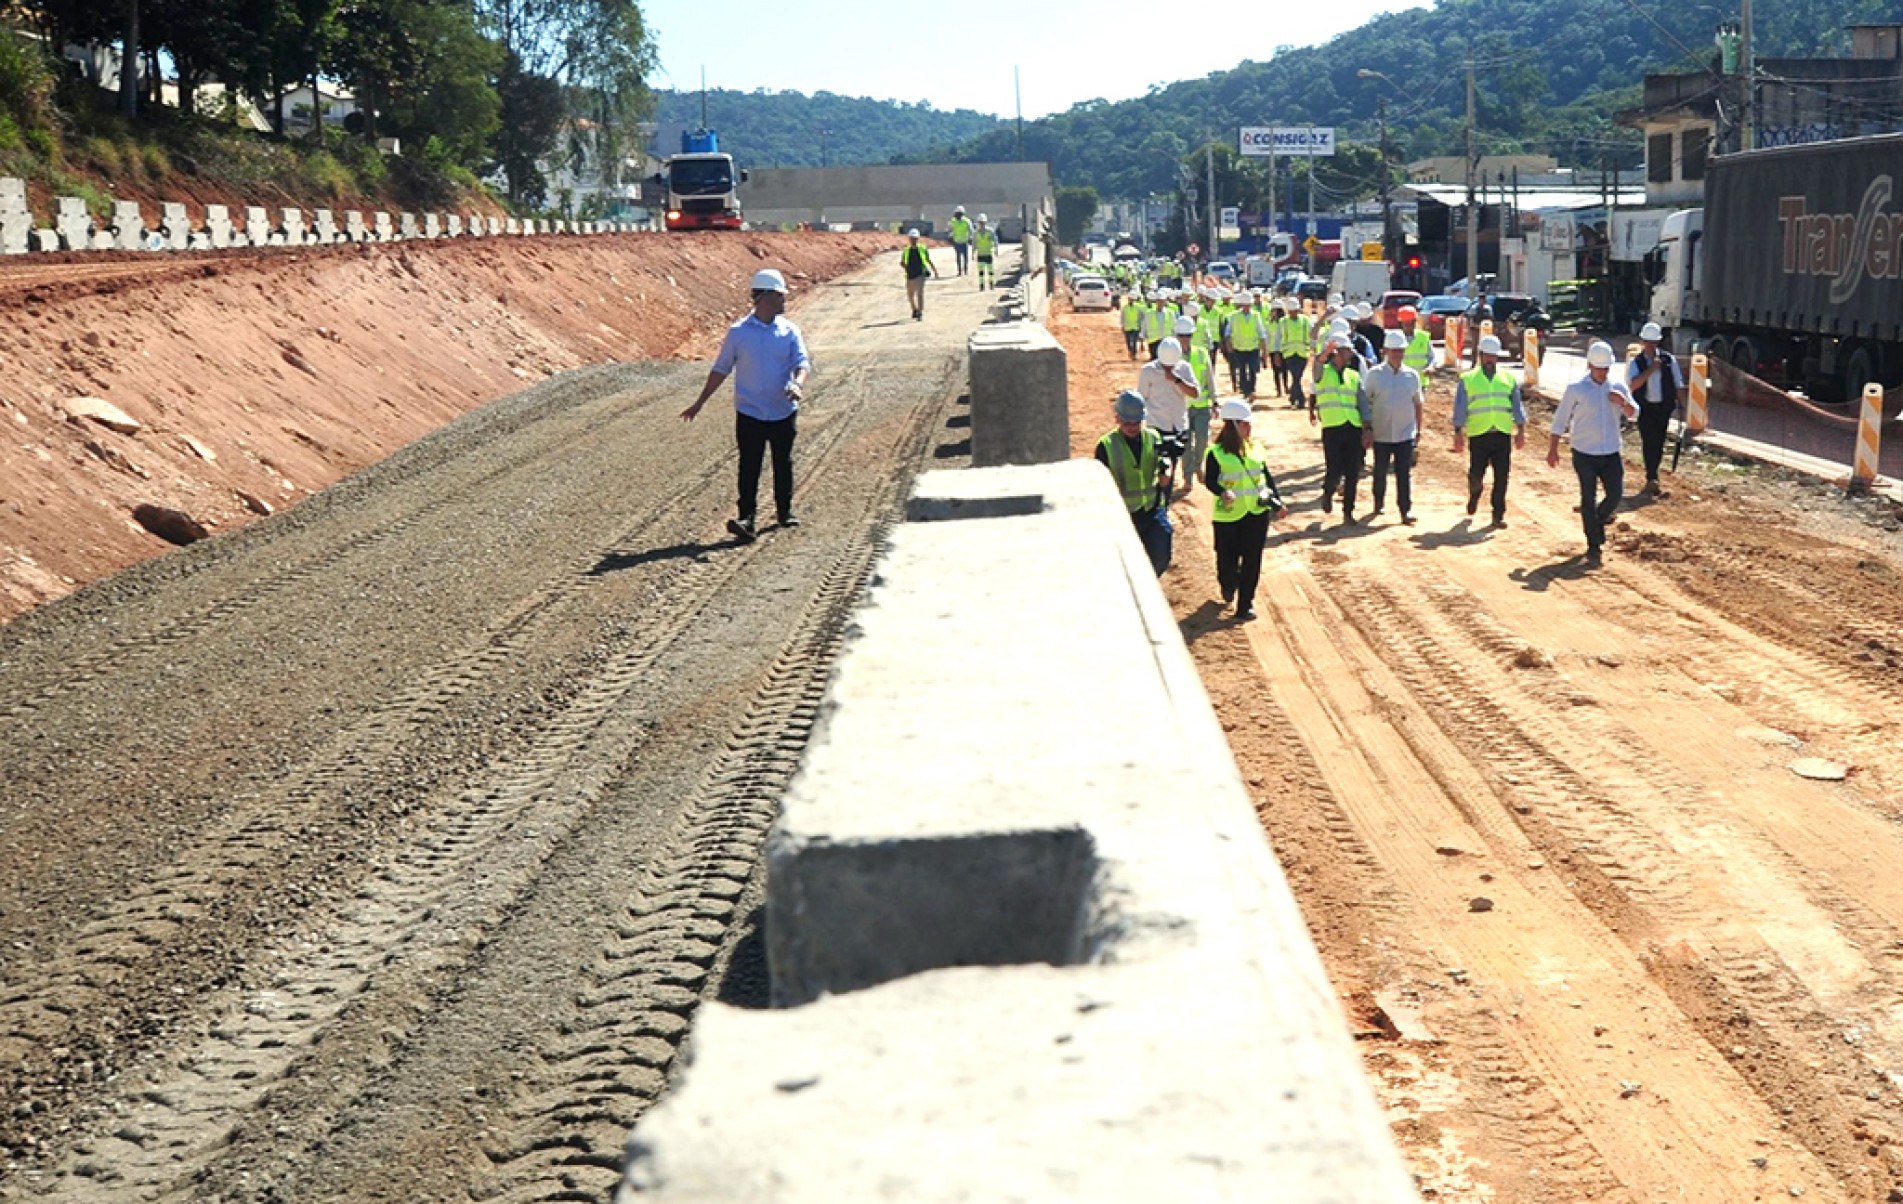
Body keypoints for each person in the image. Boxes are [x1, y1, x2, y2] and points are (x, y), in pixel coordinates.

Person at [681, 268, 811, 542]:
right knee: (749, 465)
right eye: (779, 295)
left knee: (782, 462)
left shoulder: (790, 331)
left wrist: (797, 384)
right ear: (764, 297)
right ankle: (746, 518)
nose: (784, 300)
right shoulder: (738, 333)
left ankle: (784, 512)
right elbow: (721, 368)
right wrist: (700, 402)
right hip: (750, 411)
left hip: (782, 410)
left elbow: (802, 363)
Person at [1549, 341, 1639, 565]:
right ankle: (1593, 545)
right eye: (1599, 368)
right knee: (1587, 498)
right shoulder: (1576, 389)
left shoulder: (1617, 386)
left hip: (1610, 452)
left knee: (1615, 495)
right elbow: (1560, 420)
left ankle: (1597, 521)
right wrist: (1553, 449)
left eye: (1606, 368)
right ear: (1589, 365)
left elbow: (1634, 413)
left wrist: (1624, 402)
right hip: (1584, 453)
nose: (1603, 372)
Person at [1204, 398, 1288, 621]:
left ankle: (1245, 605)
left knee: (1252, 561)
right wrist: (1222, 491)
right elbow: (1211, 480)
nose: (1249, 428)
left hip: (1256, 514)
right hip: (1228, 516)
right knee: (1226, 561)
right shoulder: (1216, 453)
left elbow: (1266, 478)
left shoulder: (1256, 448)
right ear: (1232, 426)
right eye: (1245, 424)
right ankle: (1229, 584)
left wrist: (1277, 502)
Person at [1451, 334, 1526, 529]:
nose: (1490, 360)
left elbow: (1517, 406)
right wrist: (1458, 432)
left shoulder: (1508, 378)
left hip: (1502, 433)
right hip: (1479, 433)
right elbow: (1460, 407)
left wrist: (1520, 430)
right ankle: (1475, 494)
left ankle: (1498, 514)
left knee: (1502, 476)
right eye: (1487, 356)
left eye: (1493, 356)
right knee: (1476, 473)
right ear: (1480, 355)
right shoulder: (1468, 379)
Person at [1095, 390, 1173, 575]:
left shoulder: (1153, 438)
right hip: (1123, 516)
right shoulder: (1106, 446)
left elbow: (1164, 462)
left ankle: (1149, 583)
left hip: (1152, 510)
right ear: (1117, 419)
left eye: (1136, 422)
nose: (1132, 427)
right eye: (1127, 423)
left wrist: (1166, 473)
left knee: (1161, 553)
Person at [1309, 334, 1374, 523]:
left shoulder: (1353, 376)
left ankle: (1348, 512)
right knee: (1334, 469)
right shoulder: (1323, 373)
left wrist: (1368, 427)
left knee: (1353, 471)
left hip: (1352, 428)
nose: (1350, 355)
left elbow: (1362, 403)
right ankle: (1328, 492)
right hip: (1332, 428)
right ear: (1337, 352)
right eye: (1346, 351)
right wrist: (1324, 353)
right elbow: (1317, 365)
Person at [1365, 329, 1425, 524]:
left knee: (1403, 473)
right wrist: (1367, 429)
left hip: (1404, 433)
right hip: (1381, 432)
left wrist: (1418, 430)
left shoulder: (1412, 376)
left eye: (1400, 350)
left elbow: (1418, 403)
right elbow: (1367, 402)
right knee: (1380, 470)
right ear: (1385, 351)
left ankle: (1405, 510)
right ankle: (1378, 503)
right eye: (1394, 350)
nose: (1397, 354)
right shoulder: (1374, 375)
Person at [1627, 321, 1686, 497]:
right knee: (1648, 441)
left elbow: (1678, 385)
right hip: (1645, 408)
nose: (1651, 346)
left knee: (1659, 442)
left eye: (1654, 342)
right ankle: (1651, 476)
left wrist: (1682, 407)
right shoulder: (1636, 362)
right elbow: (1633, 384)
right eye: (1648, 342)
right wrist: (1651, 370)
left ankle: (1654, 476)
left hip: (1663, 408)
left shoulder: (1669, 360)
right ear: (1642, 342)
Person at [1177, 316, 1218, 489]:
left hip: (1202, 405)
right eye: (1182, 335)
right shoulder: (1172, 355)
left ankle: (1198, 465)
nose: (1185, 339)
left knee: (1202, 440)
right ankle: (1187, 477)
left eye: (1188, 335)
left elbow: (1209, 378)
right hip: (1181, 407)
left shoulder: (1201, 353)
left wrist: (1215, 401)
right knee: (1185, 444)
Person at [1223, 293, 1269, 398]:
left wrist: (1264, 349)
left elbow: (1261, 333)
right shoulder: (1233, 316)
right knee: (1242, 369)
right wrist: (1229, 345)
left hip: (1253, 348)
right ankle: (1244, 389)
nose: (1247, 307)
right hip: (1239, 348)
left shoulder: (1256, 316)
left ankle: (1252, 389)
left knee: (1253, 369)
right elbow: (1227, 333)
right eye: (1245, 305)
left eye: (1248, 305)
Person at [900, 229, 939, 321]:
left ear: (918, 239)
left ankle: (920, 312)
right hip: (910, 275)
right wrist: (904, 266)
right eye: (912, 238)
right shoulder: (906, 250)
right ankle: (914, 309)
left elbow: (928, 260)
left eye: (915, 238)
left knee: (920, 294)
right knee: (910, 295)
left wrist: (934, 270)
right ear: (909, 239)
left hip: (920, 274)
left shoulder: (922, 248)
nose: (913, 240)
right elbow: (902, 262)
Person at [1398, 306, 1435, 376]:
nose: (1408, 326)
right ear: (1401, 323)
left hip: (1421, 381)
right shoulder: (1396, 338)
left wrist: (1430, 367)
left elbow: (1432, 357)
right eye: (1406, 323)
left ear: (1415, 321)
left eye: (1411, 322)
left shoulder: (1423, 337)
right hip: (1402, 382)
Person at [973, 214, 999, 290]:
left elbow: (995, 240)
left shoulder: (990, 231)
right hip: (980, 254)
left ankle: (991, 283)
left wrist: (996, 249)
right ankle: (981, 285)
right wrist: (973, 252)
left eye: (983, 222)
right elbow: (974, 243)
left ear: (985, 222)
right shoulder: (976, 233)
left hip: (988, 253)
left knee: (990, 270)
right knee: (981, 272)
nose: (981, 224)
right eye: (980, 223)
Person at [949, 206, 973, 276]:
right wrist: (950, 237)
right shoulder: (953, 221)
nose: (957, 216)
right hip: (956, 242)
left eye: (958, 214)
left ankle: (965, 270)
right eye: (956, 214)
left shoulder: (966, 221)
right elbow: (950, 230)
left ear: (962, 214)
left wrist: (970, 238)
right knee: (958, 257)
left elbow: (971, 230)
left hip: (964, 241)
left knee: (965, 257)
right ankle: (959, 271)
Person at [1120, 289, 1145, 358]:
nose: (1131, 300)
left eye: (1132, 299)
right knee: (1128, 342)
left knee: (1134, 342)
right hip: (1127, 328)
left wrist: (1141, 325)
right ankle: (1130, 351)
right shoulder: (1125, 307)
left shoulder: (1138, 307)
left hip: (1136, 327)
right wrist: (1122, 326)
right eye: (1130, 299)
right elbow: (1122, 317)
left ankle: (1134, 354)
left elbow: (1142, 317)